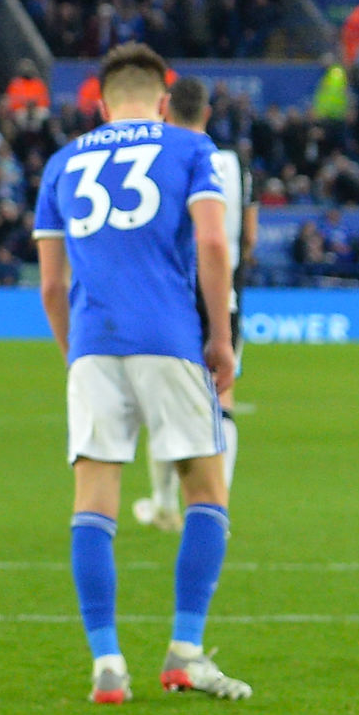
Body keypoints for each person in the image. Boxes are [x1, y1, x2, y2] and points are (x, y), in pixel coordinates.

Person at [33, 42, 245, 706]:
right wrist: (220, 337)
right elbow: (213, 242)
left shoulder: (63, 162)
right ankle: (185, 652)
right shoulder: (190, 148)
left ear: (101, 104)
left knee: (93, 503)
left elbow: (51, 285)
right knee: (206, 491)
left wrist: (74, 352)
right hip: (169, 339)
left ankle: (106, 663)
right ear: (163, 100)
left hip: (94, 343)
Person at [137, 77, 246, 527]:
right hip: (224, 290)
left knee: (165, 402)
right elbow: (248, 234)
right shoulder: (235, 164)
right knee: (222, 400)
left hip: (173, 293)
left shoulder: (160, 158)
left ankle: (164, 503)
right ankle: (218, 504)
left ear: (164, 108)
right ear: (207, 112)